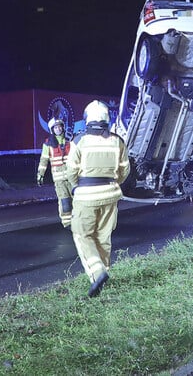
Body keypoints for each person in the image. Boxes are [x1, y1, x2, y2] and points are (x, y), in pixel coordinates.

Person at [65, 100, 130, 297]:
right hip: (111, 194)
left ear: (87, 119)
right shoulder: (117, 140)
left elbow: (71, 171)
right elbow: (124, 169)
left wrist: (76, 187)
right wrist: (112, 182)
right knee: (103, 237)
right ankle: (103, 275)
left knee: (82, 235)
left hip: (86, 195)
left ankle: (97, 272)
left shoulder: (79, 141)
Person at [37, 117, 73, 228]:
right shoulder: (48, 144)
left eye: (59, 127)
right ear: (52, 130)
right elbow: (44, 160)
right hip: (59, 180)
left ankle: (77, 221)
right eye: (55, 127)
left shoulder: (70, 141)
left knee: (77, 200)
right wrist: (40, 174)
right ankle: (67, 223)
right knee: (65, 201)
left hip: (72, 177)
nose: (58, 129)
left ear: (63, 127)